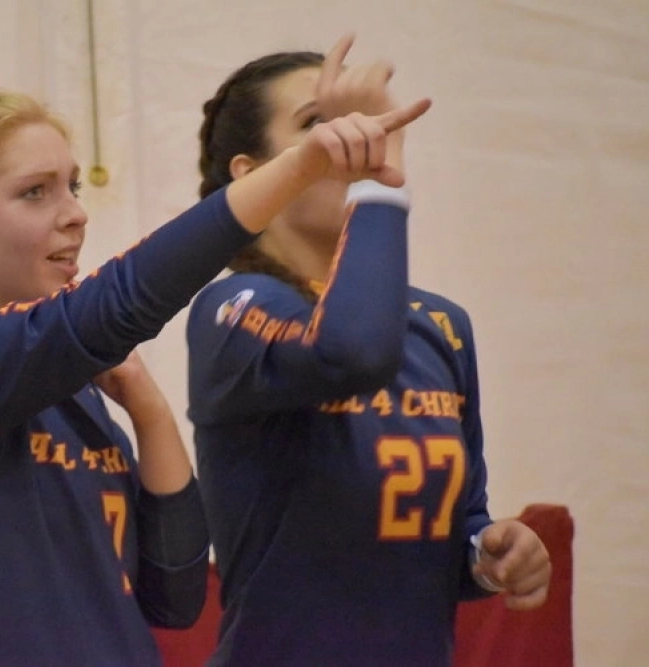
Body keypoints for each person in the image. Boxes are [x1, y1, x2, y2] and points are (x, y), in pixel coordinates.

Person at [0, 85, 428, 666]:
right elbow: (120, 300)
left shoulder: (66, 387)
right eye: (34, 193)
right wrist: (297, 168)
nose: (74, 213)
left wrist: (147, 410)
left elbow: (175, 597)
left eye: (70, 186)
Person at [186, 36, 552, 666]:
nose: (354, 139)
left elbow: (456, 528)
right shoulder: (234, 309)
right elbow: (350, 351)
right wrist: (378, 185)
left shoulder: (442, 323)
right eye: (318, 124)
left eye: (360, 122)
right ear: (254, 174)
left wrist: (491, 554)